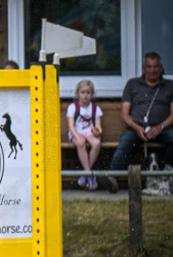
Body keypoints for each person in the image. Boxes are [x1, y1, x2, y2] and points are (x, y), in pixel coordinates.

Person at [107, 52, 173, 191]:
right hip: (136, 128)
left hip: (162, 128)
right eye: (149, 66)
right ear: (144, 68)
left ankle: (167, 176)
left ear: (161, 68)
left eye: (156, 67)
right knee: (124, 144)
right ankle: (112, 177)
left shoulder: (170, 86)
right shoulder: (132, 84)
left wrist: (160, 127)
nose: (152, 70)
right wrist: (137, 128)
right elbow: (125, 114)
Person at [67, 80, 103, 189]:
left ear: (92, 94)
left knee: (97, 143)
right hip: (76, 132)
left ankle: (85, 174)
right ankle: (90, 175)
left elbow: (98, 126)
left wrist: (97, 132)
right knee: (81, 144)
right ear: (78, 93)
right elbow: (71, 126)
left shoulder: (95, 108)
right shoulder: (73, 107)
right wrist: (78, 137)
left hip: (89, 131)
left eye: (88, 92)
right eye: (83, 92)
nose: (85, 95)